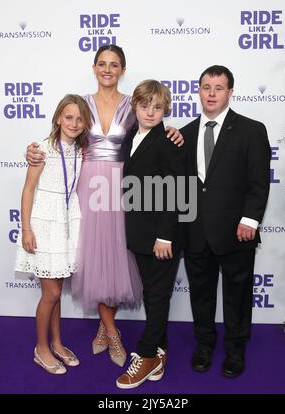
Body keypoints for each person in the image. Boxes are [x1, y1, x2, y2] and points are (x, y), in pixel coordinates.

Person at [25, 45, 184, 368]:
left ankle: (104, 326)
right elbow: (62, 135)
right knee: (93, 259)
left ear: (123, 70)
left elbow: (149, 133)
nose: (108, 69)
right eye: (102, 63)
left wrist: (174, 129)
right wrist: (33, 151)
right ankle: (112, 332)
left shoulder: (134, 104)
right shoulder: (81, 103)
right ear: (94, 67)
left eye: (114, 65)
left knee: (116, 260)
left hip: (126, 189)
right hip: (89, 187)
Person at [181, 65, 271, 377]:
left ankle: (235, 350)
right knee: (201, 296)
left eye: (218, 88)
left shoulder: (251, 130)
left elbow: (259, 183)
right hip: (196, 234)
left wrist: (250, 220)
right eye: (206, 87)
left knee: (237, 295)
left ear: (230, 92)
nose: (211, 93)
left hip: (237, 232)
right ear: (199, 90)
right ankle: (204, 346)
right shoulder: (185, 134)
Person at [15, 94, 92, 374]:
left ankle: (58, 343)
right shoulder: (42, 149)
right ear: (58, 117)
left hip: (66, 225)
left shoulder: (80, 151)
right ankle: (41, 348)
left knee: (57, 292)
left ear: (85, 124)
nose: (74, 122)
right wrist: (26, 229)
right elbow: (27, 190)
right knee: (50, 293)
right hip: (44, 225)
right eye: (68, 117)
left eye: (79, 118)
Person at [116, 80, 186, 389]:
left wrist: (165, 237)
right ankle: (159, 352)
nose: (150, 112)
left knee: (157, 296)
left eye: (157, 108)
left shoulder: (168, 141)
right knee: (153, 295)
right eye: (145, 106)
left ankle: (145, 356)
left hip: (161, 237)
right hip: (139, 233)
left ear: (165, 110)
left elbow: (177, 192)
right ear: (135, 107)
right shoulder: (132, 135)